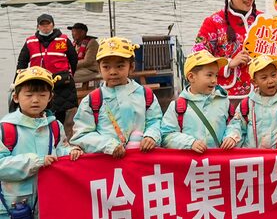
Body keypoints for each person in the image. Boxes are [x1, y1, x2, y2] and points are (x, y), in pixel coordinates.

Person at [0, 67, 82, 219]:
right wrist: (35, 161)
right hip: (11, 205)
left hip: (48, 201)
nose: (35, 100)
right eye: (29, 95)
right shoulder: (6, 128)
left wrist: (71, 152)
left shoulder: (55, 126)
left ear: (50, 97)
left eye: (42, 94)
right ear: (16, 97)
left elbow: (60, 150)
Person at [71, 37, 162, 157]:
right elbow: (82, 135)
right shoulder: (92, 100)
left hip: (142, 161)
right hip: (108, 165)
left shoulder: (146, 95)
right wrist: (107, 145)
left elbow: (156, 121)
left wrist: (151, 136)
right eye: (106, 67)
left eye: (120, 66)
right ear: (99, 68)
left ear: (131, 67)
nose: (113, 72)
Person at [196, 0, 260, 101]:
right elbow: (197, 58)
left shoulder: (264, 20)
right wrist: (229, 63)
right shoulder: (213, 22)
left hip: (262, 96)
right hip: (225, 97)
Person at [161, 49, 239, 153]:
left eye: (216, 75)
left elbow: (234, 123)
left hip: (219, 164)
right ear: (191, 77)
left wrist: (231, 136)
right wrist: (190, 143)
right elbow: (166, 135)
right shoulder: (178, 106)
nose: (214, 80)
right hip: (191, 165)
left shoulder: (223, 101)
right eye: (209, 75)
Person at [230, 55, 277, 151]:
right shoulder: (247, 104)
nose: (270, 81)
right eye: (264, 77)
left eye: (273, 75)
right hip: (253, 160)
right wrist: (232, 137)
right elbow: (236, 125)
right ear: (254, 82)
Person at [16, 14, 78, 124]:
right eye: (42, 25)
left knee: (60, 110)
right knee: (38, 108)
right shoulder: (30, 41)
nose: (45, 27)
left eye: (48, 24)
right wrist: (17, 82)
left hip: (60, 80)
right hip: (38, 80)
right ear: (38, 27)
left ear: (53, 25)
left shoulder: (63, 39)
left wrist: (71, 73)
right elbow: (22, 62)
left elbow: (73, 58)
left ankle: (58, 130)